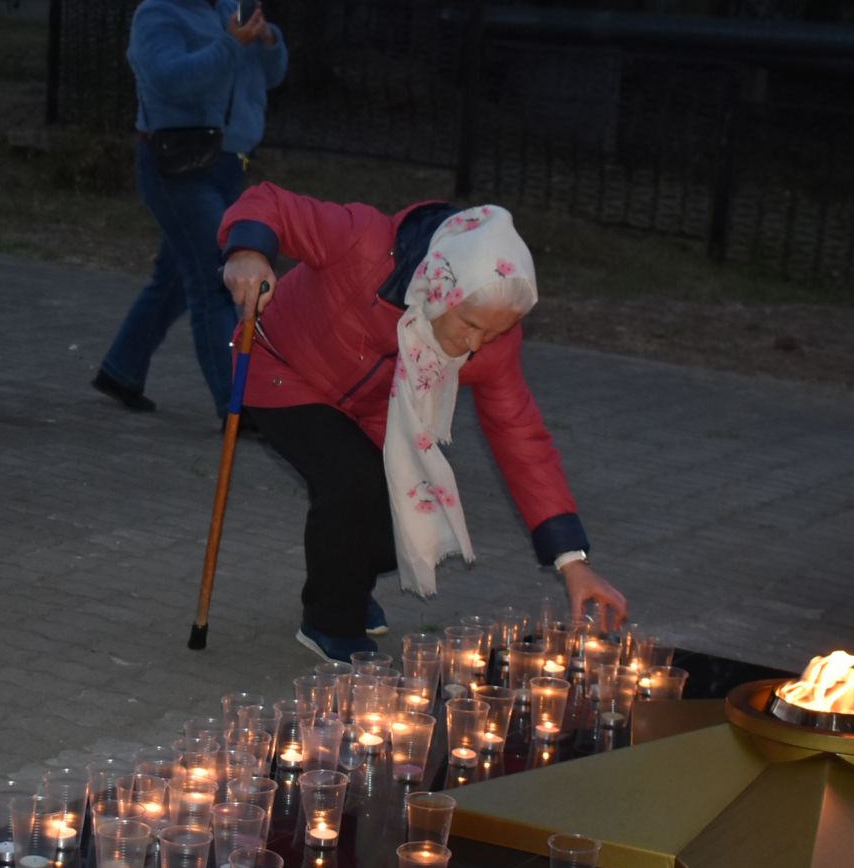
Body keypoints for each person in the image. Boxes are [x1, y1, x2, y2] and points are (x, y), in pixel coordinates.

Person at [218, 185, 628, 661]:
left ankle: (346, 581)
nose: (476, 344)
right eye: (470, 324)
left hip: (375, 409)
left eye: (493, 332)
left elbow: (522, 440)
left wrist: (572, 561)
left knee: (409, 516)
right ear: (439, 288)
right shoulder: (364, 242)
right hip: (281, 368)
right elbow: (269, 202)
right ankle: (330, 622)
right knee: (353, 483)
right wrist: (247, 251)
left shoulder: (493, 345)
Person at [94, 0, 287, 418]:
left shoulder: (231, 12)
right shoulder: (157, 15)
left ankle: (121, 368)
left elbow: (271, 77)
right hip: (176, 165)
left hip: (228, 164)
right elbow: (171, 79)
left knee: (176, 278)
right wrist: (230, 44)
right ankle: (236, 405)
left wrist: (267, 42)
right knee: (215, 278)